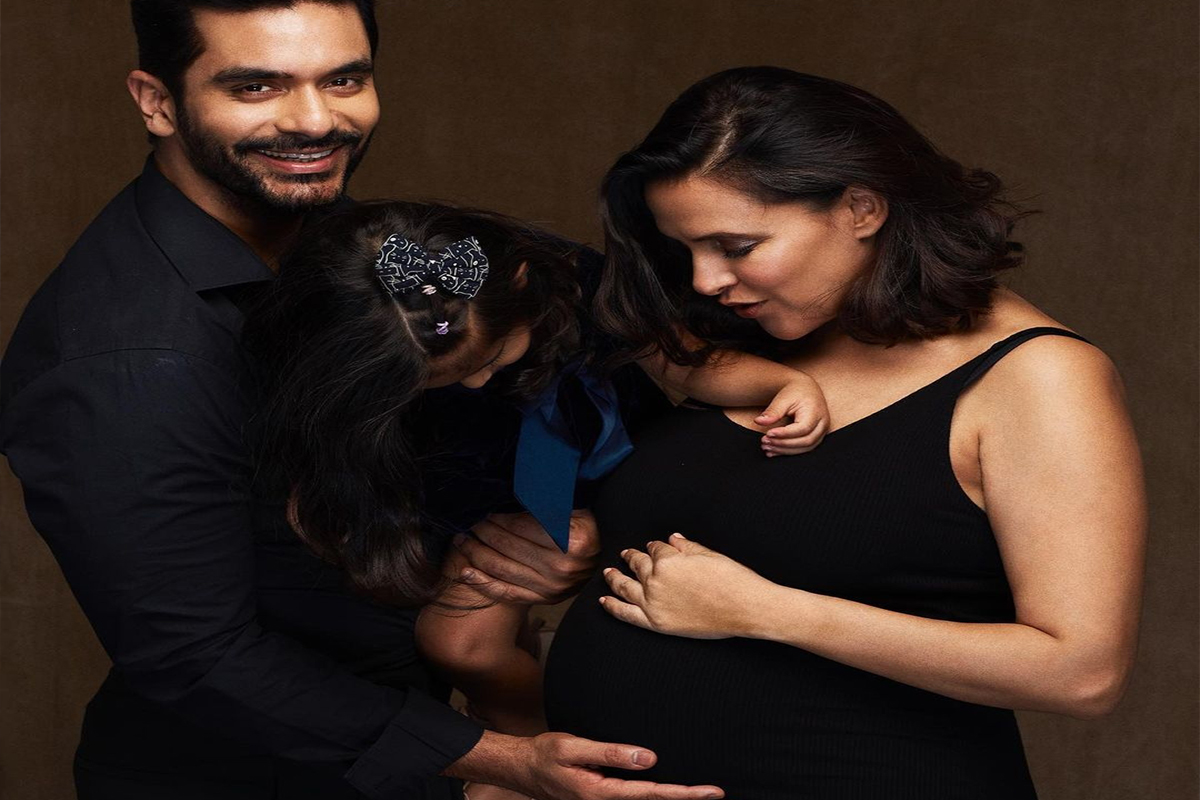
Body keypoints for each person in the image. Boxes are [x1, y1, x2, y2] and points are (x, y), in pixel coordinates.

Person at [0, 2, 714, 797]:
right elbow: (195, 656)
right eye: (256, 87)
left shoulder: (360, 249)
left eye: (344, 80)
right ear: (157, 102)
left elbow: (549, 383)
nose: (314, 121)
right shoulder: (128, 360)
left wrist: (578, 529)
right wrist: (504, 757)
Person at [543, 67, 1147, 799]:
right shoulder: (750, 342)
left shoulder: (1039, 378)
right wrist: (566, 540)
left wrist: (770, 612)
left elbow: (1082, 673)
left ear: (861, 208)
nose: (704, 281)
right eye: (686, 250)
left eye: (737, 246)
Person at [245, 198, 831, 799]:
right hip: (463, 489)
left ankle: (559, 738)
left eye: (492, 358)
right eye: (439, 382)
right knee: (458, 646)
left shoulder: (588, 286)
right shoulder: (359, 359)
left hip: (588, 466)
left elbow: (686, 365)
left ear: (523, 283)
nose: (477, 382)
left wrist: (783, 382)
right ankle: (525, 743)